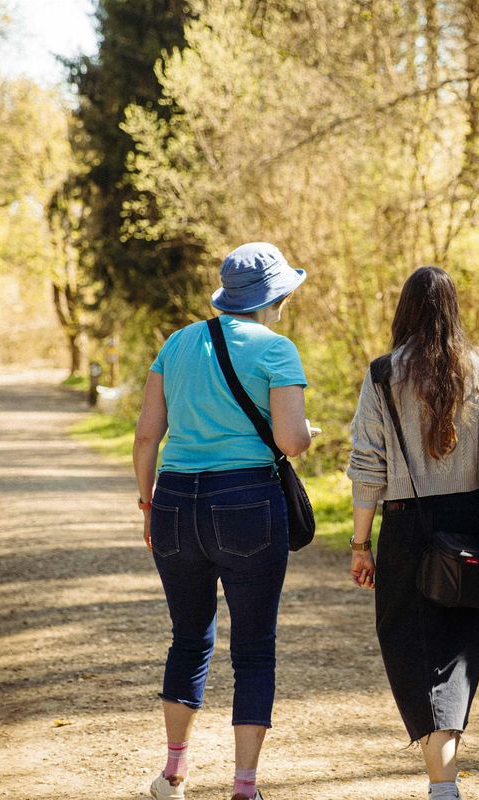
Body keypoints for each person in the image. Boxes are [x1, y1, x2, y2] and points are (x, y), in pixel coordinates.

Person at [133, 242, 313, 800]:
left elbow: (146, 437)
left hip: (174, 501)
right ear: (276, 295)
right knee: (254, 647)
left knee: (188, 638)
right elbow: (290, 441)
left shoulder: (177, 343)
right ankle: (243, 786)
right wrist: (309, 437)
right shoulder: (277, 349)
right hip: (246, 502)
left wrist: (148, 505)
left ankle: (173, 774)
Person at [345, 266, 479, 800]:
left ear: (405, 310)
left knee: (410, 645)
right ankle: (445, 779)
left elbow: (368, 464)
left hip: (408, 527)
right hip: (475, 526)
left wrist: (361, 545)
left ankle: (443, 784)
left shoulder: (385, 373)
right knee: (460, 647)